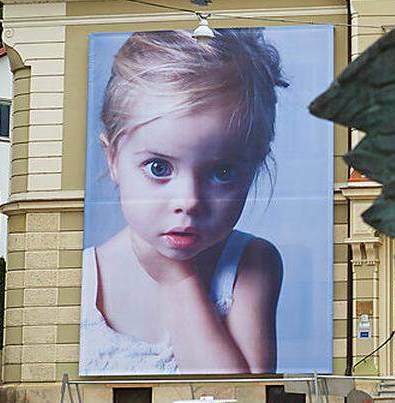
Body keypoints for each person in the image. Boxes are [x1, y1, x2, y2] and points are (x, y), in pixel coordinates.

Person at [80, 28, 287, 375]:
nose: (188, 201)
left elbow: (241, 396)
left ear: (253, 168)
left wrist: (178, 280)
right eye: (159, 168)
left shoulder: (252, 264)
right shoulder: (86, 274)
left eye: (222, 172)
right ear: (113, 158)